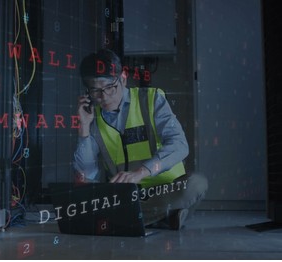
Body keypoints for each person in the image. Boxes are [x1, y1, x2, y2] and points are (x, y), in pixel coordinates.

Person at [73, 48, 208, 230]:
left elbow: (179, 145)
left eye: (110, 88)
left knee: (196, 183)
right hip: (126, 195)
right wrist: (84, 128)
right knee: (85, 195)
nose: (104, 97)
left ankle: (119, 219)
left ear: (123, 79)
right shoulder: (92, 116)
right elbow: (87, 175)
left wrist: (141, 172)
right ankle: (165, 216)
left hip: (167, 189)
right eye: (95, 91)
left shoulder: (151, 99)